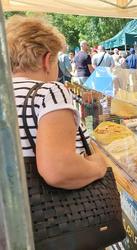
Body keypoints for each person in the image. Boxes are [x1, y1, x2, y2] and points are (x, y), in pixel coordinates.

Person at [6, 15, 107, 189]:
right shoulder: (50, 92)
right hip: (54, 213)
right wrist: (98, 166)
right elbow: (59, 169)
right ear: (47, 60)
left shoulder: (6, 94)